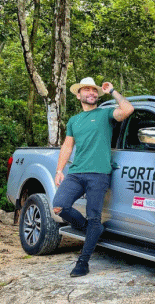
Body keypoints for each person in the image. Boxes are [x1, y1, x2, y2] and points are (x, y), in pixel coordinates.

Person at [52, 77, 134, 277]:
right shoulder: (74, 120)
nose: (92, 93)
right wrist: (59, 169)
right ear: (79, 95)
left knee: (95, 216)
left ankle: (83, 262)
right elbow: (68, 145)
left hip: (98, 174)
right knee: (59, 205)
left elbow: (127, 110)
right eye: (86, 90)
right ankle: (91, 229)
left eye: (94, 90)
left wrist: (113, 91)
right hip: (77, 172)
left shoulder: (105, 113)